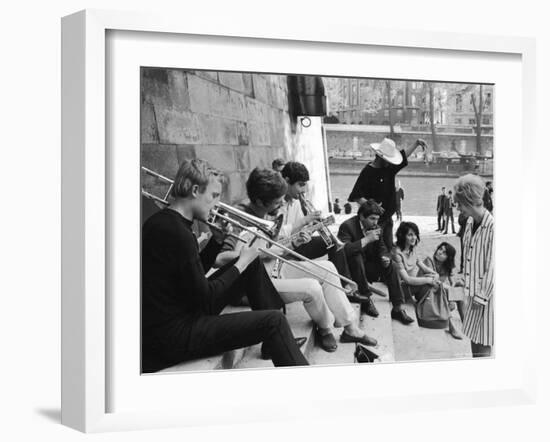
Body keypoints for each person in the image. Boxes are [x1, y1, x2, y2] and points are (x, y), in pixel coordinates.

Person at [141, 159, 308, 372]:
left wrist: (216, 241)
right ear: (194, 190)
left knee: (252, 264)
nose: (217, 204)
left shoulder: (169, 223)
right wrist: (241, 263)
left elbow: (193, 277)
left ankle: (274, 345)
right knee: (273, 321)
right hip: (174, 336)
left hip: (181, 313)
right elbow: (207, 299)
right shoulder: (177, 233)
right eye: (214, 196)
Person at [215, 168, 378, 350]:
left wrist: (294, 240)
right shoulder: (238, 217)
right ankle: (325, 328)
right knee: (312, 287)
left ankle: (350, 328)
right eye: (277, 203)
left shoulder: (264, 212)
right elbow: (219, 258)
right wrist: (257, 253)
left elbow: (273, 245)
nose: (280, 206)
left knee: (329, 267)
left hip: (273, 267)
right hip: (251, 285)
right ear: (260, 201)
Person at [278, 161, 370, 305]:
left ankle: (345, 287)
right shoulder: (275, 202)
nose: (304, 190)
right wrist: (305, 220)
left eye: (305, 184)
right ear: (287, 181)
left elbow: (299, 233)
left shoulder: (296, 201)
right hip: (283, 249)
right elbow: (280, 236)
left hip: (296, 243)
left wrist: (318, 225)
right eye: (301, 185)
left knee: (334, 243)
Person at [337, 200, 415, 325]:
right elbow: (342, 251)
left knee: (392, 265)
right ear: (361, 216)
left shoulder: (376, 227)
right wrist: (366, 240)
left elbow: (383, 248)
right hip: (351, 272)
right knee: (356, 256)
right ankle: (366, 299)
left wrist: (385, 258)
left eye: (377, 219)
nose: (375, 222)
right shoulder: (347, 226)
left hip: (367, 268)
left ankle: (397, 308)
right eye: (372, 218)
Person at [348, 137, 427, 250]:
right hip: (374, 221)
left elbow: (403, 156)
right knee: (376, 250)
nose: (391, 162)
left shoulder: (388, 168)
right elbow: (356, 196)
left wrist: (416, 144)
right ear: (381, 158)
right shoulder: (367, 172)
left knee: (388, 248)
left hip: (388, 218)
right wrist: (373, 206)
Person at [453, 174, 494, 358]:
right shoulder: (470, 223)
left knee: (484, 342)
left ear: (469, 201)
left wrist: (481, 297)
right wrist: (463, 278)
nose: (457, 208)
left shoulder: (493, 228)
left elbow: (494, 268)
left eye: (460, 203)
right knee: (473, 338)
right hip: (471, 292)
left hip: (486, 297)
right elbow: (470, 257)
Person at [421, 242, 464, 339]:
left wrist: (453, 298)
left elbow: (452, 281)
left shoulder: (447, 266)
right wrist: (451, 294)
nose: (440, 252)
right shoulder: (429, 260)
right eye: (440, 249)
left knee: (459, 288)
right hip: (425, 291)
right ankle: (451, 327)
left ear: (448, 258)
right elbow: (434, 281)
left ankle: (464, 320)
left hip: (438, 290)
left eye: (444, 253)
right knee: (443, 290)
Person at [391, 221, 440, 304]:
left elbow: (424, 267)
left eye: (415, 234)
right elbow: (407, 280)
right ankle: (443, 299)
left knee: (430, 272)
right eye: (410, 235)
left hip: (411, 286)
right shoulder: (397, 253)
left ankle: (440, 299)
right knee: (429, 283)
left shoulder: (412, 248)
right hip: (399, 290)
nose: (414, 237)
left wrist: (435, 274)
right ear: (402, 236)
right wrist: (428, 280)